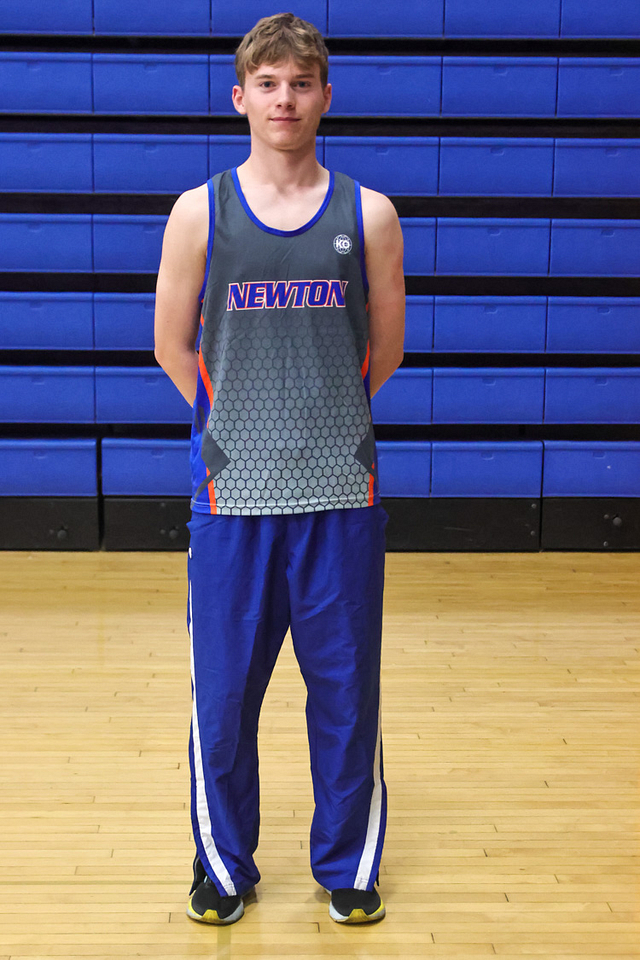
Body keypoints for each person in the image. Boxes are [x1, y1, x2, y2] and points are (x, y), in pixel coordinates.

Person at [154, 12, 405, 926]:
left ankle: (349, 866)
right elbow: (172, 347)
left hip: (341, 493)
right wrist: (237, 429)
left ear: (325, 96)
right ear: (241, 97)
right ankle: (223, 868)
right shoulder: (200, 212)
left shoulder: (369, 215)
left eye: (301, 83)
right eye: (268, 84)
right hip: (233, 497)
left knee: (345, 697)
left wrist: (319, 422)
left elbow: (386, 349)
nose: (285, 99)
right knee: (223, 701)